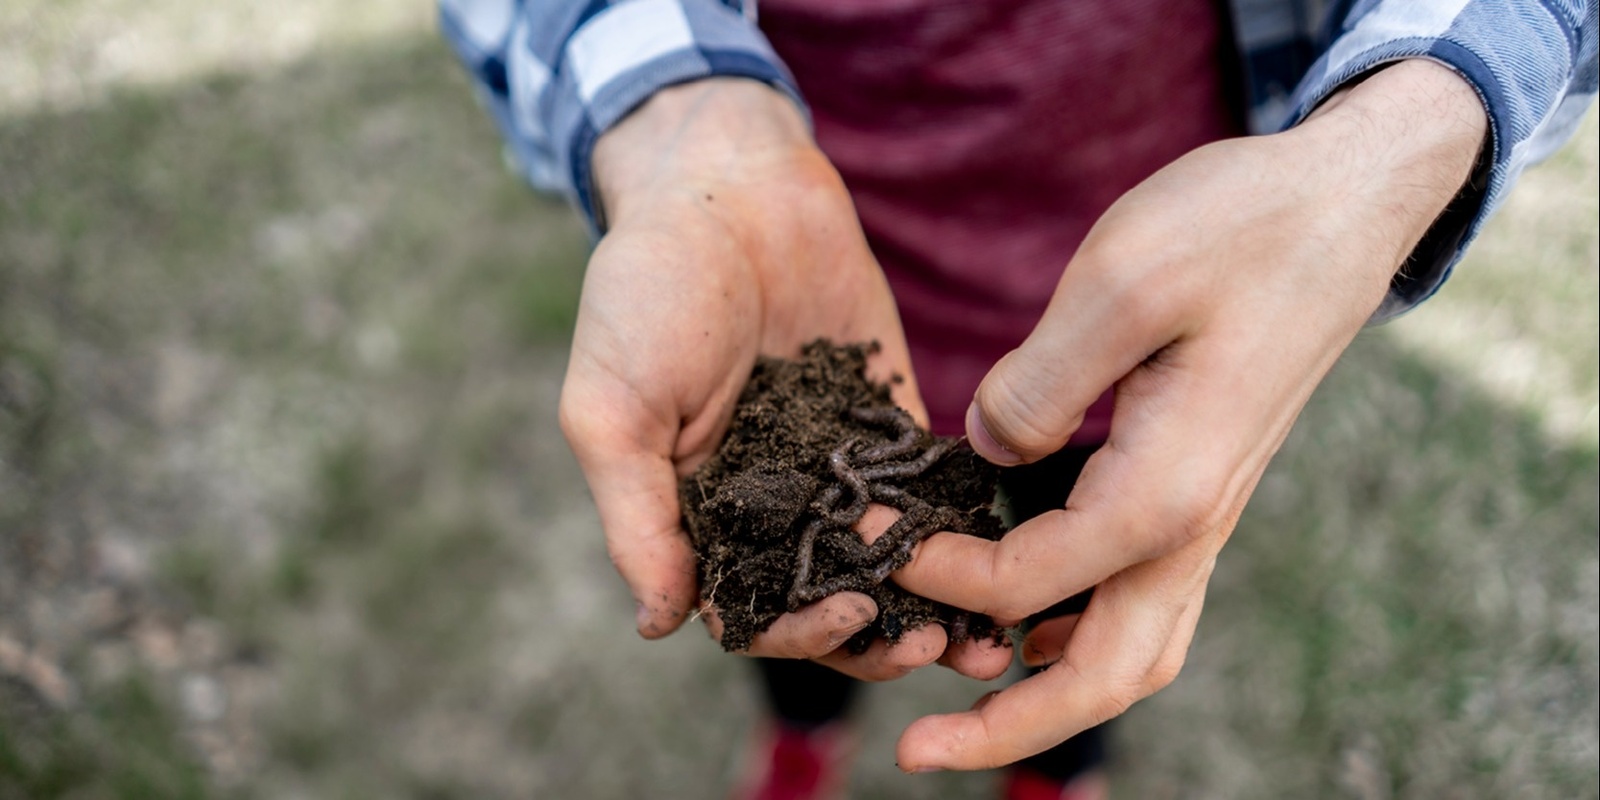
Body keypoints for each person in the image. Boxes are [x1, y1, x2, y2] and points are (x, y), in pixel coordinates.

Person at [439, 0, 1597, 796]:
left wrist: (1401, 130)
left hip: (1146, 291)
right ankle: (798, 733)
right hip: (804, 266)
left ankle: (1055, 762)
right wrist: (675, 116)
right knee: (804, 574)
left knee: (1082, 578)